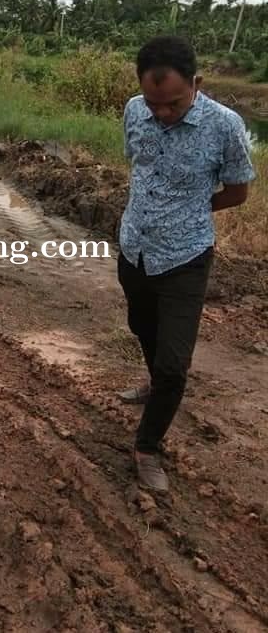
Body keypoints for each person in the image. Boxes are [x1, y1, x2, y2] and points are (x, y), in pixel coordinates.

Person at [117, 35, 255, 493]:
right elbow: (135, 166)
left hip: (185, 257)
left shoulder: (226, 126)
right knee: (142, 327)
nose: (161, 113)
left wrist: (190, 211)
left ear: (197, 83)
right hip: (134, 247)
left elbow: (238, 192)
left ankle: (147, 447)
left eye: (172, 104)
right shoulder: (135, 109)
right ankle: (153, 384)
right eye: (155, 103)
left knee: (175, 363)